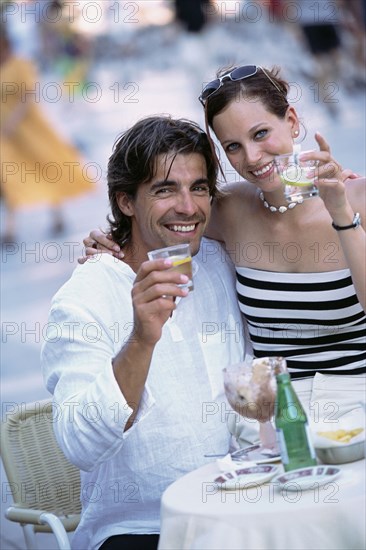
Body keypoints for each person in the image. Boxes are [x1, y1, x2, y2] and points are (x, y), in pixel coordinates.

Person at [41, 115, 247, 550]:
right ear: (126, 202)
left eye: (199, 188)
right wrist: (141, 339)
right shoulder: (86, 296)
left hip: (238, 512)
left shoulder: (219, 262)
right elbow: (80, 443)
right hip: (141, 529)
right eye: (165, 189)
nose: (188, 207)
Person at [83, 64, 365, 380]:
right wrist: (108, 245)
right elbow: (157, 219)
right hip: (280, 411)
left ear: (291, 122)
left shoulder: (358, 198)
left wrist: (341, 214)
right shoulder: (230, 210)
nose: (253, 157)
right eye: (233, 146)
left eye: (261, 134)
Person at [0, 27, 95, 243]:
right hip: (6, 136)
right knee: (9, 177)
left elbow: (27, 96)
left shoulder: (20, 64)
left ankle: (57, 214)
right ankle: (10, 227)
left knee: (47, 166)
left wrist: (13, 121)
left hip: (30, 129)